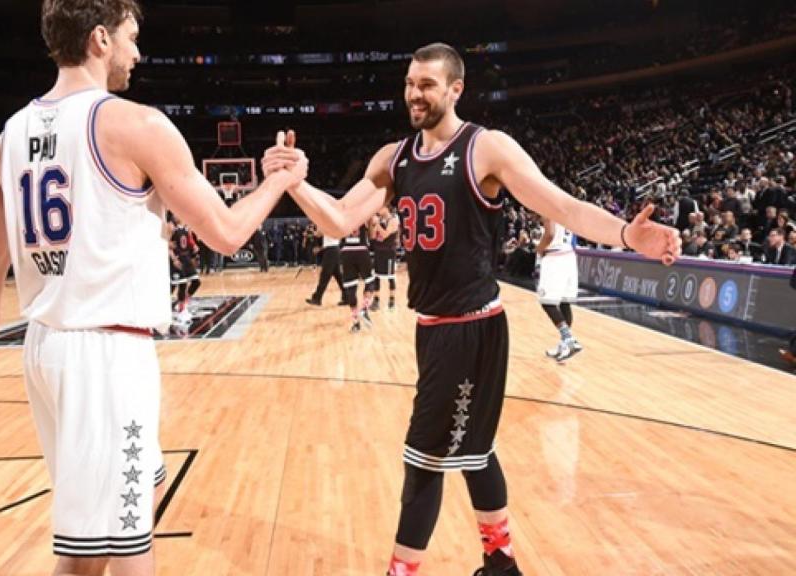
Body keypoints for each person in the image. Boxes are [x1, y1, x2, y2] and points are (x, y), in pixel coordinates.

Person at [264, 42, 680, 576]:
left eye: (427, 85)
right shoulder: (393, 158)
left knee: (423, 460)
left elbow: (562, 205)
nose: (415, 93)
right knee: (474, 451)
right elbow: (340, 219)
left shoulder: (486, 148)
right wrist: (293, 183)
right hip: (431, 329)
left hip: (473, 328)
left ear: (455, 89)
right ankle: (501, 563)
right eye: (410, 83)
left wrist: (626, 234)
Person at [0, 3, 307, 576]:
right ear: (99, 39)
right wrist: (278, 183)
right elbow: (229, 231)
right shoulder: (136, 126)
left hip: (45, 351)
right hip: (107, 355)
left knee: (111, 523)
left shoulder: (6, 140)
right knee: (118, 551)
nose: (137, 53)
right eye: (131, 39)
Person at [535, 215, 582, 362]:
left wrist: (539, 249)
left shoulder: (547, 207)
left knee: (547, 302)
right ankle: (565, 346)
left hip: (555, 257)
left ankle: (569, 339)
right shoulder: (564, 208)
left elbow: (549, 234)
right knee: (563, 302)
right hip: (569, 255)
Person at [339, 220, 377, 332]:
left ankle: (356, 324)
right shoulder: (364, 212)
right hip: (361, 250)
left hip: (346, 251)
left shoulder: (342, 214)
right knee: (370, 282)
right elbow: (372, 236)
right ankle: (364, 308)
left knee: (351, 288)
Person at [370, 204, 400, 311]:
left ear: (386, 208)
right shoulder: (379, 219)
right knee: (376, 276)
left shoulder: (393, 219)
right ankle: (376, 301)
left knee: (390, 276)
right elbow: (373, 236)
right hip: (378, 251)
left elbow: (385, 234)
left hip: (389, 252)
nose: (377, 209)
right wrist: (373, 226)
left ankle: (392, 302)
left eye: (380, 207)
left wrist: (377, 224)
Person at [306, 229, 344, 306]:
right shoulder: (333, 224)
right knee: (338, 276)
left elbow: (319, 234)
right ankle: (348, 297)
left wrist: (313, 233)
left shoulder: (327, 225)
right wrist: (320, 248)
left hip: (331, 252)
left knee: (325, 275)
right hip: (333, 250)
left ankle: (317, 298)